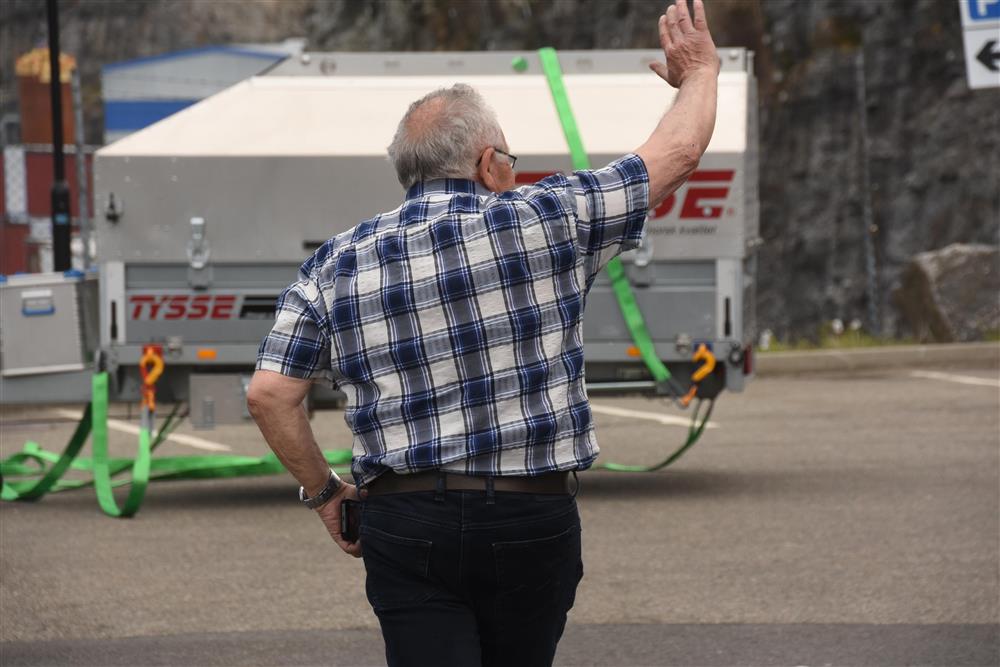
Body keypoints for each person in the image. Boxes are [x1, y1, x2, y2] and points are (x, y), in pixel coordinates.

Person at [247, 1, 719, 664]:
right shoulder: (550, 217)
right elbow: (678, 152)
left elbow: (270, 394)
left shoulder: (335, 260)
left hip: (404, 521)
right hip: (530, 517)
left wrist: (326, 492)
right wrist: (698, 74)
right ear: (490, 162)